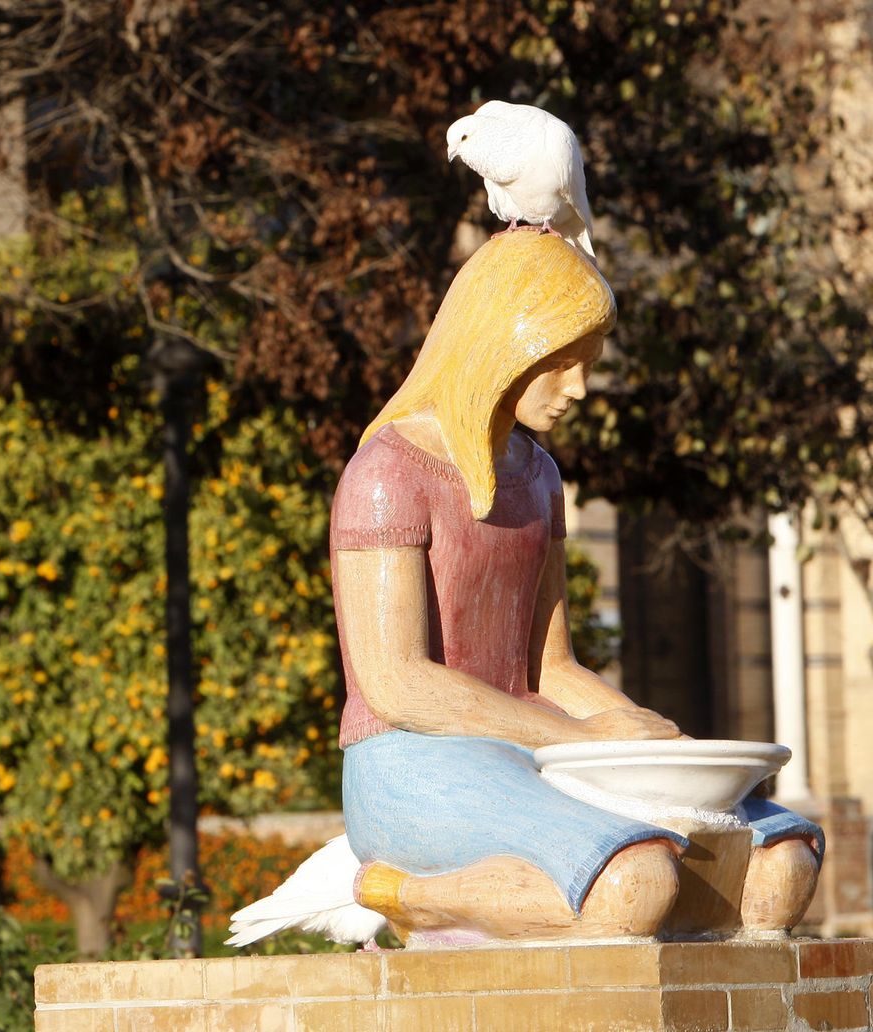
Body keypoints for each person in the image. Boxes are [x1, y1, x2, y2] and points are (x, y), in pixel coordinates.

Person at [331, 230, 821, 944]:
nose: (579, 388)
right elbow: (398, 684)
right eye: (562, 362)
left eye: (586, 364)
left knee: (779, 870)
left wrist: (659, 747)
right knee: (633, 883)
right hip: (412, 760)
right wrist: (580, 736)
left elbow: (551, 668)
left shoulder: (539, 476)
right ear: (501, 341)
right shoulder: (387, 473)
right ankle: (411, 894)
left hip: (535, 748)